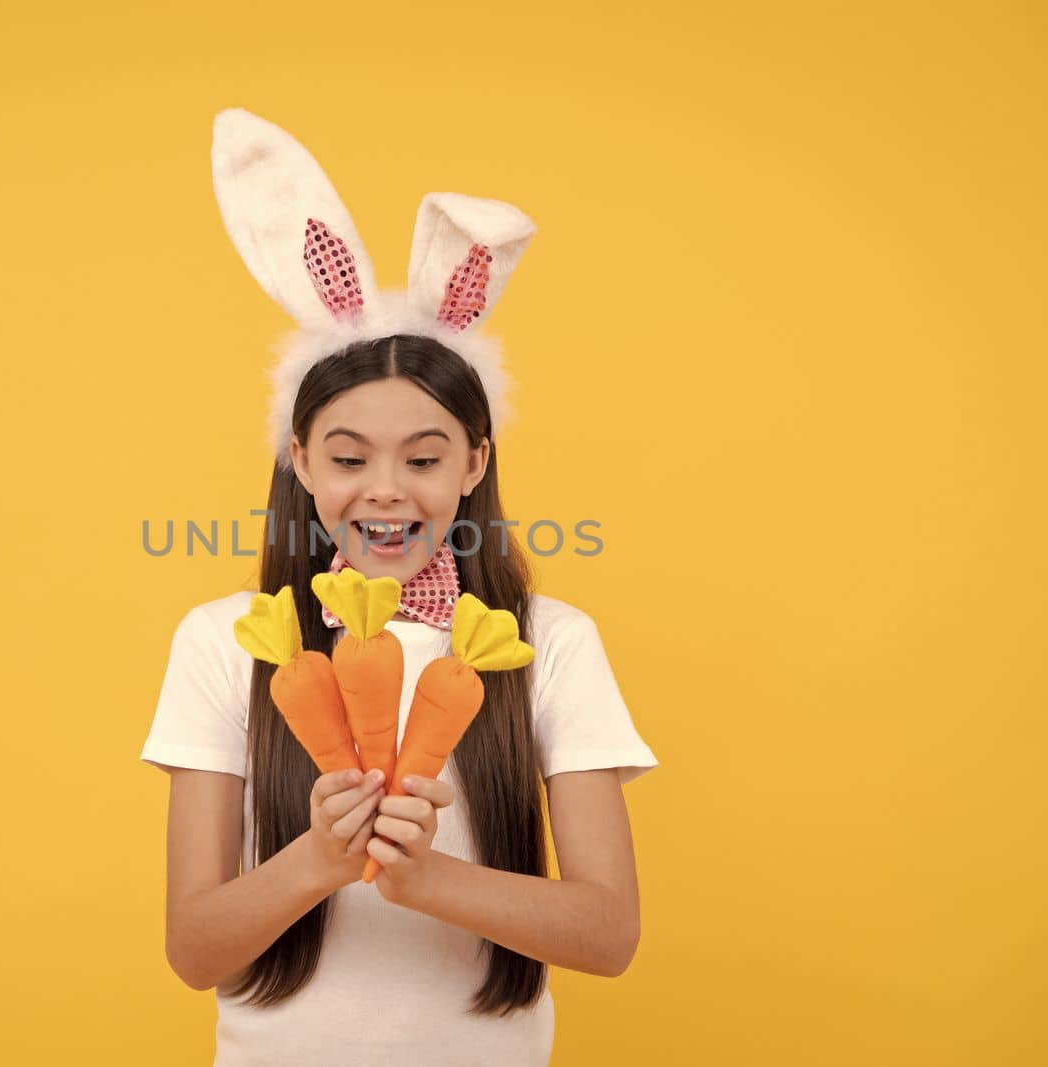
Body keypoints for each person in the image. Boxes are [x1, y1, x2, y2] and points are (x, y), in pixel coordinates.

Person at [138, 108, 660, 1067]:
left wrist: (427, 878)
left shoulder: (549, 641)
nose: (384, 488)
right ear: (299, 461)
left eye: (423, 456)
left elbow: (609, 933)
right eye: (347, 456)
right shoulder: (228, 640)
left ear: (473, 464)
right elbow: (192, 947)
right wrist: (316, 862)